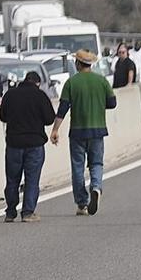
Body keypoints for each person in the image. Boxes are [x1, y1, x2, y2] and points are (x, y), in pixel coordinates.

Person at [50, 48, 116, 215]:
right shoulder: (101, 81)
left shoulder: (72, 83)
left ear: (78, 63)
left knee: (78, 167)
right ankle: (96, 187)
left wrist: (55, 129)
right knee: (96, 163)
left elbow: (63, 109)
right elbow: (112, 103)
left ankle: (82, 203)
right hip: (98, 131)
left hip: (78, 132)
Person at [0, 69, 57, 223]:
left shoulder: (10, 95)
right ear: (37, 83)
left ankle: (10, 212)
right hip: (35, 143)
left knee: (12, 179)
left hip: (14, 144)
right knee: (32, 179)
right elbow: (50, 119)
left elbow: (2, 116)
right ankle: (28, 212)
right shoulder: (40, 96)